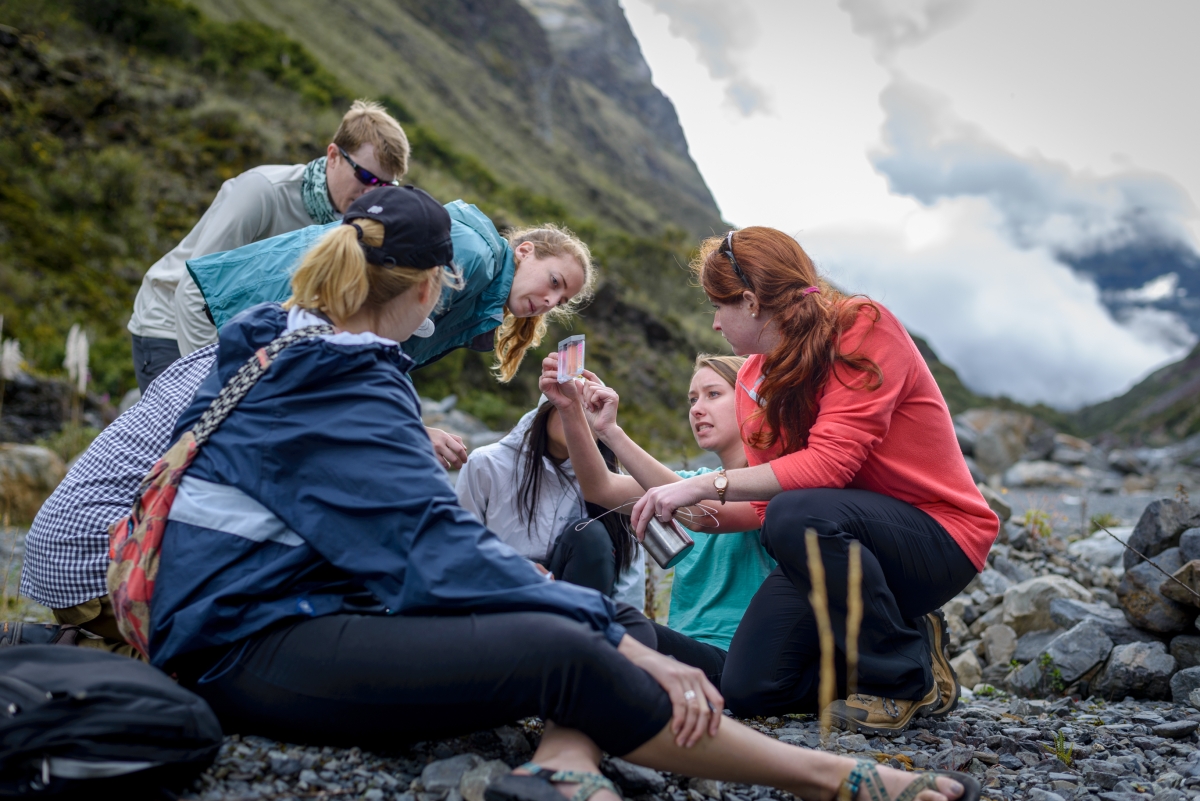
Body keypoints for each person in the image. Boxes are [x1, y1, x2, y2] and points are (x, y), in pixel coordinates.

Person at [147, 185, 975, 801]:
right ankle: (825, 776)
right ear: (437, 290)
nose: (717, 333)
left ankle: (860, 692)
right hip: (250, 634)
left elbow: (815, 476)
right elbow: (432, 551)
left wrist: (640, 552)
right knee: (580, 644)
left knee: (588, 620)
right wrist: (625, 632)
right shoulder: (341, 376)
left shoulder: (284, 349)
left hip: (239, 617)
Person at [627, 228, 999, 733]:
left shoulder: (862, 326)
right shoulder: (754, 382)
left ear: (752, 302)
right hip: (835, 542)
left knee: (797, 512)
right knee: (750, 688)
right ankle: (911, 651)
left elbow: (830, 466)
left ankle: (896, 680)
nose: (715, 323)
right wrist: (682, 506)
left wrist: (702, 485)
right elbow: (763, 514)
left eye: (719, 306)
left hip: (938, 538)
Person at [182, 199, 594, 468]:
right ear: (524, 251)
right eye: (554, 281)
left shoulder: (482, 293)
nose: (550, 301)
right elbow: (361, 337)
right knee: (194, 453)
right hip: (257, 305)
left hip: (272, 322)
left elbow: (379, 350)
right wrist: (410, 427)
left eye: (561, 301)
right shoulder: (474, 258)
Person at [127, 99, 409, 391]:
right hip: (169, 326)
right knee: (196, 433)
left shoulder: (353, 224)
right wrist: (211, 388)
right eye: (365, 176)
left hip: (235, 336)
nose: (372, 192)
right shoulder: (262, 192)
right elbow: (192, 291)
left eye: (385, 186)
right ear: (333, 155)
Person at [539, 354, 775, 686]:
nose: (696, 409)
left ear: (755, 402)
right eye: (692, 399)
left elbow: (706, 515)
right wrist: (571, 410)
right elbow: (600, 488)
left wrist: (614, 433)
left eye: (713, 394)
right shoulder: (694, 479)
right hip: (685, 647)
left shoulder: (777, 479)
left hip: (737, 659)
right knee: (600, 611)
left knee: (616, 625)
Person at [19, 344, 218, 657]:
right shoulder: (263, 371)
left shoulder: (210, 354)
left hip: (61, 554)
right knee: (219, 659)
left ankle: (65, 644)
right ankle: (56, 655)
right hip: (95, 570)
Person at [457, 400, 646, 610]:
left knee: (590, 535)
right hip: (499, 595)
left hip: (575, 609)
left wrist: (626, 631)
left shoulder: (615, 483)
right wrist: (521, 570)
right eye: (569, 404)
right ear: (546, 409)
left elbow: (630, 568)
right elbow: (458, 545)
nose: (576, 416)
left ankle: (588, 636)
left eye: (590, 410)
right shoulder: (487, 464)